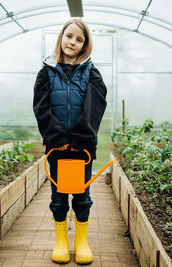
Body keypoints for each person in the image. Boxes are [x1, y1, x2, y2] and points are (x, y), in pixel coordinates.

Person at [33, 19, 107, 264]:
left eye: (79, 39)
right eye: (69, 36)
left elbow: (94, 107)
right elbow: (41, 108)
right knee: (58, 195)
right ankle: (61, 241)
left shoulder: (91, 72)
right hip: (57, 147)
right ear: (61, 37)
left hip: (82, 147)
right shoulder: (46, 71)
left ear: (85, 45)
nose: (72, 42)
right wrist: (57, 138)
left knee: (82, 194)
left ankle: (81, 241)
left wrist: (79, 139)